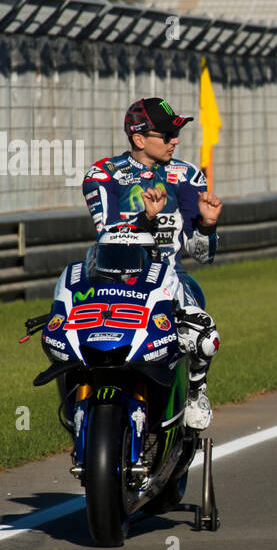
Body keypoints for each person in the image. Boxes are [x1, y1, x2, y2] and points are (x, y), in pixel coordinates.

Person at [82, 97, 223, 429]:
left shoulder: (187, 176)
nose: (175, 141)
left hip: (169, 277)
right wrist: (146, 219)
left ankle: (194, 392)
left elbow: (204, 254)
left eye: (177, 134)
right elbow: (107, 235)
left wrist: (207, 225)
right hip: (111, 279)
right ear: (139, 138)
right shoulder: (103, 174)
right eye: (167, 135)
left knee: (203, 335)